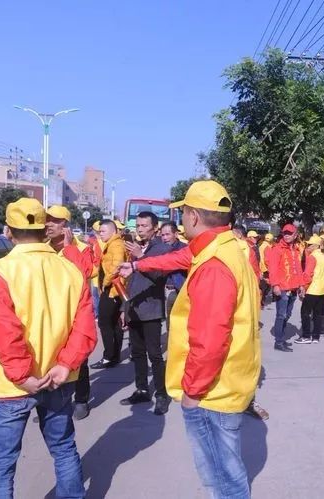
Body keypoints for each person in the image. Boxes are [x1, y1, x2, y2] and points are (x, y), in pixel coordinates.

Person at [119, 180, 261, 497]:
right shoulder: (231, 247)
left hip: (213, 391)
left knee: (222, 478)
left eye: (183, 213)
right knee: (230, 471)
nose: (182, 219)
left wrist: (193, 392)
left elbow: (211, 340)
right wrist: (138, 264)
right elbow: (178, 259)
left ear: (194, 217)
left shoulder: (213, 265)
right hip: (233, 380)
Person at [0, 198, 96, 498]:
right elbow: (84, 329)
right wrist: (65, 365)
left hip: (13, 386)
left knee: (1, 467)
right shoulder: (71, 271)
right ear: (46, 228)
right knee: (64, 448)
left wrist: (22, 375)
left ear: (8, 231)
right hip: (58, 379)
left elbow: (6, 335)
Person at [120, 211, 173, 415]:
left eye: (144, 226)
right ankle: (141, 389)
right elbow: (130, 281)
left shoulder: (161, 249)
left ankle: (161, 394)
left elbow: (160, 276)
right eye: (138, 225)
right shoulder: (135, 248)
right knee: (137, 353)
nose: (140, 229)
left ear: (155, 228)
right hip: (134, 307)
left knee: (155, 354)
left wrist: (141, 258)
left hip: (151, 309)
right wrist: (125, 309)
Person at [45, 205, 95, 420]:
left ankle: (81, 400)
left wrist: (68, 248)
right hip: (48, 310)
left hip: (74, 312)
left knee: (78, 359)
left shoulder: (82, 247)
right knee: (50, 357)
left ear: (66, 225)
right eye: (47, 220)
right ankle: (50, 403)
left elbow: (83, 274)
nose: (49, 224)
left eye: (55, 221)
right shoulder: (42, 247)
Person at [91, 219, 127, 369]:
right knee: (113, 323)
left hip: (112, 290)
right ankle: (114, 355)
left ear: (113, 231)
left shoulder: (116, 245)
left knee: (105, 323)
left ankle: (108, 356)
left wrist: (105, 282)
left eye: (103, 231)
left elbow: (117, 266)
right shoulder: (112, 243)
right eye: (99, 232)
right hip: (112, 289)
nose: (100, 234)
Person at [267, 223, 304, 352]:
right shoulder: (277, 249)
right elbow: (273, 269)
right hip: (282, 288)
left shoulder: (295, 249)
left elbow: (298, 269)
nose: (287, 235)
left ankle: (281, 338)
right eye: (285, 233)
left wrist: (301, 285)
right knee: (281, 315)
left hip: (293, 288)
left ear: (295, 235)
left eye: (290, 233)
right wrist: (275, 285)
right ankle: (279, 342)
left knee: (287, 315)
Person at [296, 235, 324, 344]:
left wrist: (303, 287)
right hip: (322, 289)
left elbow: (308, 274)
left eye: (310, 245)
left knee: (305, 313)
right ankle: (316, 336)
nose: (308, 246)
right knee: (317, 314)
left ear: (316, 246)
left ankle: (306, 336)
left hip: (312, 289)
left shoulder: (312, 257)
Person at [160, 221, 187, 330]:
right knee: (169, 324)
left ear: (176, 234)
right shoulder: (159, 249)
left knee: (179, 323)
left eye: (167, 234)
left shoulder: (184, 249)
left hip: (178, 290)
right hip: (164, 290)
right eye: (162, 235)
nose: (165, 238)